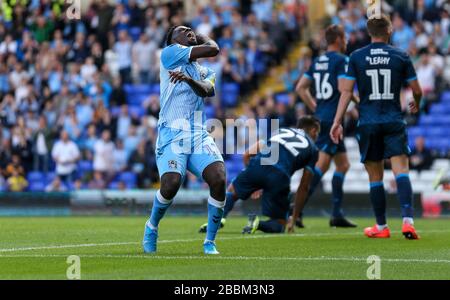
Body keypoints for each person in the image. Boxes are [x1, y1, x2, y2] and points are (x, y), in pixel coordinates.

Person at [330, 15, 423, 240]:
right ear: (389, 30)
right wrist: (416, 103)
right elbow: (417, 90)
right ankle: (408, 222)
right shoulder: (401, 55)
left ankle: (381, 227)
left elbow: (346, 92)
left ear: (369, 32)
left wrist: (337, 122)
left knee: (375, 176)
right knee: (401, 169)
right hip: (393, 119)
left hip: (368, 122)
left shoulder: (356, 56)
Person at [142, 26, 226, 255]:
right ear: (172, 40)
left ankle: (210, 241)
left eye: (191, 31)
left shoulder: (204, 71)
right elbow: (212, 48)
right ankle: (151, 226)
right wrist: (200, 38)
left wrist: (189, 80)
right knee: (170, 184)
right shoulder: (170, 53)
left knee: (219, 179)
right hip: (172, 132)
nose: (189, 31)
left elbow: (207, 91)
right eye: (182, 31)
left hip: (198, 133)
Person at [199, 116, 320, 234]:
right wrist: (294, 218)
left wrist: (255, 182)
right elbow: (304, 186)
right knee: (280, 224)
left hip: (258, 165)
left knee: (232, 190)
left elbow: (247, 154)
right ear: (313, 130)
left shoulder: (281, 130)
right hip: (280, 175)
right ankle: (258, 223)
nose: (317, 136)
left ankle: (216, 220)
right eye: (318, 133)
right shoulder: (313, 148)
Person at [296, 24, 357, 228]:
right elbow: (343, 88)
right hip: (332, 120)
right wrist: (359, 101)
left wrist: (315, 106)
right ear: (338, 39)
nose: (347, 40)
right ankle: (294, 209)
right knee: (320, 166)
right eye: (345, 37)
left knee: (343, 165)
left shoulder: (318, 60)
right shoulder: (342, 60)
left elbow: (300, 88)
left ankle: (336, 214)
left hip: (323, 117)